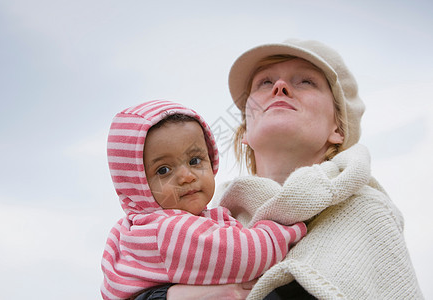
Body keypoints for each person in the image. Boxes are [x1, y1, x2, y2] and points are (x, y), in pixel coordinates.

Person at [160, 39, 424, 299]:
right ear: (245, 133)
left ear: (338, 130)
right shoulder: (196, 225)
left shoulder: (367, 215)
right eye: (265, 82)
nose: (280, 87)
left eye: (306, 81)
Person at [100, 100, 307, 300]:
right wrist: (286, 229)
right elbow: (244, 258)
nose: (187, 176)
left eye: (194, 160)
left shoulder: (141, 230)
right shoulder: (165, 231)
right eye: (163, 170)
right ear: (136, 186)